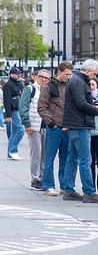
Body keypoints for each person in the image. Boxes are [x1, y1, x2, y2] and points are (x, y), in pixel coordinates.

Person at [62, 59, 98, 203]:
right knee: (85, 160)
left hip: (75, 125)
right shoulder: (78, 81)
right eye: (94, 73)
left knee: (73, 159)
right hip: (80, 125)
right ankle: (89, 192)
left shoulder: (76, 80)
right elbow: (81, 103)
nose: (95, 76)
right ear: (88, 71)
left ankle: (69, 190)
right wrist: (96, 110)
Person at [37, 61, 74, 196]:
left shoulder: (70, 85)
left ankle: (64, 186)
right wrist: (51, 124)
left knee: (65, 159)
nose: (68, 77)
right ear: (59, 72)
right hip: (54, 128)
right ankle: (48, 185)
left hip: (67, 128)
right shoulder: (48, 87)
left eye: (70, 74)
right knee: (50, 158)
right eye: (66, 74)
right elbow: (41, 107)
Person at [18, 69, 51, 191]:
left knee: (44, 155)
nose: (44, 79)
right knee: (36, 154)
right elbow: (23, 107)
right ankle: (35, 180)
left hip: (45, 126)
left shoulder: (47, 90)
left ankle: (42, 179)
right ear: (36, 77)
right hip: (34, 127)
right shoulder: (30, 89)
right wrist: (27, 123)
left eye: (46, 78)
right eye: (41, 77)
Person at [3, 67, 25, 160]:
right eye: (17, 74)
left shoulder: (20, 84)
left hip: (19, 109)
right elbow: (6, 100)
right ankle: (13, 151)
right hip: (13, 110)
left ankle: (10, 153)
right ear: (12, 75)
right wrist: (8, 115)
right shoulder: (8, 85)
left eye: (19, 73)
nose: (19, 75)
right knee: (21, 129)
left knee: (14, 132)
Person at [90, 78, 98, 189]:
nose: (91, 86)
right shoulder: (83, 97)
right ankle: (91, 187)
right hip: (88, 133)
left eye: (93, 84)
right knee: (90, 162)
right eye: (89, 84)